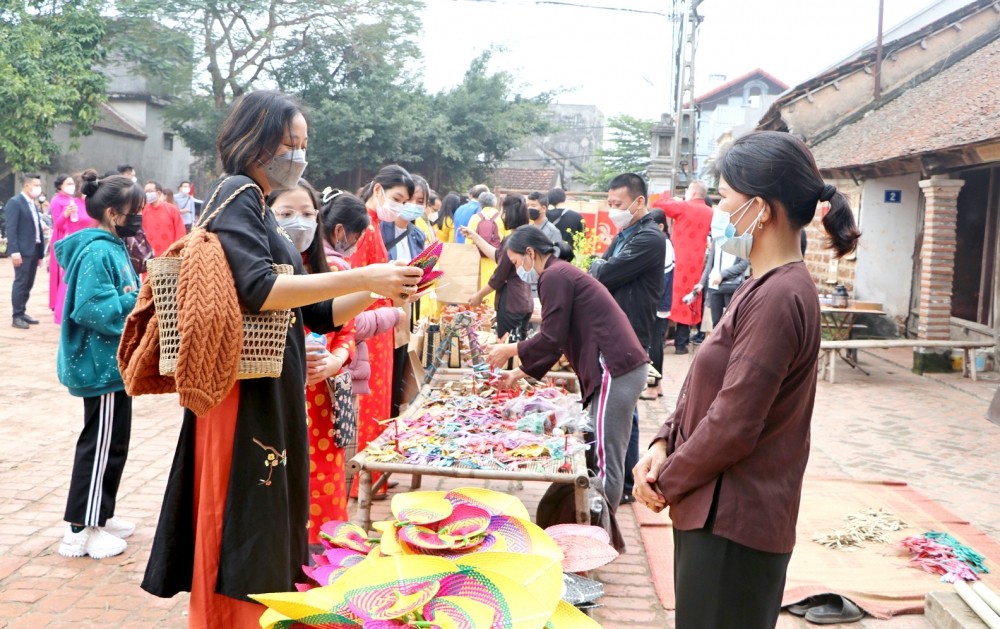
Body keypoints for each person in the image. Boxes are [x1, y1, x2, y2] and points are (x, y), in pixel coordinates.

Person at [141, 91, 422, 627]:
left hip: (273, 385)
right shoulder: (237, 192)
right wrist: (365, 275)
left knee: (266, 515)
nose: (297, 155)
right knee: (242, 513)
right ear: (255, 140)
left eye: (302, 145)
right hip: (243, 391)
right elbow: (258, 287)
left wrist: (382, 291)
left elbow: (316, 312)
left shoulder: (259, 203)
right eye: (288, 143)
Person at [633, 130, 861, 629]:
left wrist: (663, 481)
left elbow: (733, 422)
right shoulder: (761, 283)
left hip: (734, 521)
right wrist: (660, 441)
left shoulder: (781, 296)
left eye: (725, 199)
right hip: (717, 510)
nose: (719, 211)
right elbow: (704, 384)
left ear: (760, 209)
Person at [486, 226, 649, 509]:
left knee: (605, 456)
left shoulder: (553, 276)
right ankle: (597, 523)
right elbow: (557, 340)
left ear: (530, 253)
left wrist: (509, 350)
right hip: (618, 367)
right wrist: (519, 372)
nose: (517, 270)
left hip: (615, 367)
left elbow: (551, 337)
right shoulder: (559, 272)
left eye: (515, 263)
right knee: (602, 450)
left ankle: (602, 530)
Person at [55, 169, 143, 560]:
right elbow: (90, 308)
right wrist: (136, 301)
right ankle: (79, 531)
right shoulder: (98, 250)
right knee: (101, 445)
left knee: (114, 443)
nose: (137, 218)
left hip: (112, 366)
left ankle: (99, 515)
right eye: (132, 211)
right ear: (112, 212)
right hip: (99, 367)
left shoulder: (111, 245)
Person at [269, 180, 354, 548]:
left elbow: (347, 331)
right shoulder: (258, 273)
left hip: (322, 400)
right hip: (278, 397)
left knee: (323, 482)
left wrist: (336, 360)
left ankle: (324, 563)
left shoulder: (332, 269)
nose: (298, 223)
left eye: (307, 214)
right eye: (286, 214)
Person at [588, 173, 665, 504]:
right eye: (609, 204)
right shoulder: (625, 234)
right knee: (623, 420)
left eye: (617, 204)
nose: (612, 210)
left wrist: (601, 267)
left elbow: (603, 273)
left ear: (639, 202)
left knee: (610, 439)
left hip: (628, 343)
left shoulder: (649, 239)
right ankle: (627, 488)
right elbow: (600, 270)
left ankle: (609, 506)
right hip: (618, 338)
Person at [321, 189, 402, 490]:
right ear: (341, 231)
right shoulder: (336, 267)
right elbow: (347, 323)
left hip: (331, 364)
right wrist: (392, 313)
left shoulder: (323, 261)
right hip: (327, 371)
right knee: (329, 450)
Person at [349, 164, 416, 499]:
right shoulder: (365, 225)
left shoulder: (374, 225)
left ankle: (374, 476)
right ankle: (366, 479)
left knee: (379, 405)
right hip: (371, 326)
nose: (400, 207)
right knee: (372, 406)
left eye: (404, 201)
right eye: (396, 198)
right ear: (378, 190)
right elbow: (357, 276)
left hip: (381, 323)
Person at [381, 175, 427, 417]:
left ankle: (393, 415)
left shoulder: (417, 235)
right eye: (411, 200)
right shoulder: (379, 229)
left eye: (420, 201)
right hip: (380, 308)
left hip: (405, 310)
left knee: (399, 365)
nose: (415, 205)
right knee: (383, 370)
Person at [653, 179, 713, 354]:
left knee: (668, 299)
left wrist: (677, 200)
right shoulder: (711, 212)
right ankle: (681, 344)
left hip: (677, 262)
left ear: (693, 193)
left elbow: (658, 205)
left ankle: (660, 341)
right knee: (690, 300)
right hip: (696, 264)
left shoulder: (684, 207)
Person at [466, 193, 531, 341]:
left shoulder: (512, 241)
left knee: (508, 351)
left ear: (508, 213)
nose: (501, 215)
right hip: (525, 301)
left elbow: (499, 277)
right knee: (519, 348)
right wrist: (474, 236)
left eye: (503, 211)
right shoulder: (524, 237)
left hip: (511, 303)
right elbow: (498, 256)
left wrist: (479, 295)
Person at [49, 173, 98, 324]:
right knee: (70, 281)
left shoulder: (94, 204)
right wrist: (65, 214)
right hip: (76, 247)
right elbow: (58, 226)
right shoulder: (73, 203)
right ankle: (64, 316)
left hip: (93, 245)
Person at [6, 172, 46, 329]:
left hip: (34, 249)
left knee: (29, 283)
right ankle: (16, 316)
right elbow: (11, 228)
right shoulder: (15, 202)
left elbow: (36, 229)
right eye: (36, 185)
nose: (38, 188)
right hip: (22, 250)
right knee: (21, 282)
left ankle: (22, 311)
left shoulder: (32, 204)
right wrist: (14, 251)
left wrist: (41, 253)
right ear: (27, 185)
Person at [643, 208, 674, 400]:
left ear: (660, 226)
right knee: (656, 343)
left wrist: (651, 302)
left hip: (657, 303)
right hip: (659, 302)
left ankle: (652, 386)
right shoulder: (665, 243)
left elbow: (661, 279)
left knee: (653, 344)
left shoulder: (662, 244)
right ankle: (658, 384)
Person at [466, 191, 507, 307]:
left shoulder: (474, 218)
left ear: (480, 204)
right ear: (495, 203)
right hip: (497, 261)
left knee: (479, 296)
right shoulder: (501, 218)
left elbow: (469, 243)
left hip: (478, 263)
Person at [697, 236, 748, 329]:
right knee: (716, 322)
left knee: (731, 321)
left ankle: (729, 343)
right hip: (714, 285)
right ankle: (718, 342)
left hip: (731, 285)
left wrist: (723, 274)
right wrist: (701, 283)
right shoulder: (716, 239)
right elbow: (710, 264)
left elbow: (744, 264)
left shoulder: (740, 239)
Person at [141, 180, 186, 256]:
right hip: (149, 257)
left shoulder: (172, 209)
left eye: (150, 191)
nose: (147, 194)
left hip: (169, 256)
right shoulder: (142, 210)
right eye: (146, 192)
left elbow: (180, 232)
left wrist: (176, 251)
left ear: (158, 193)